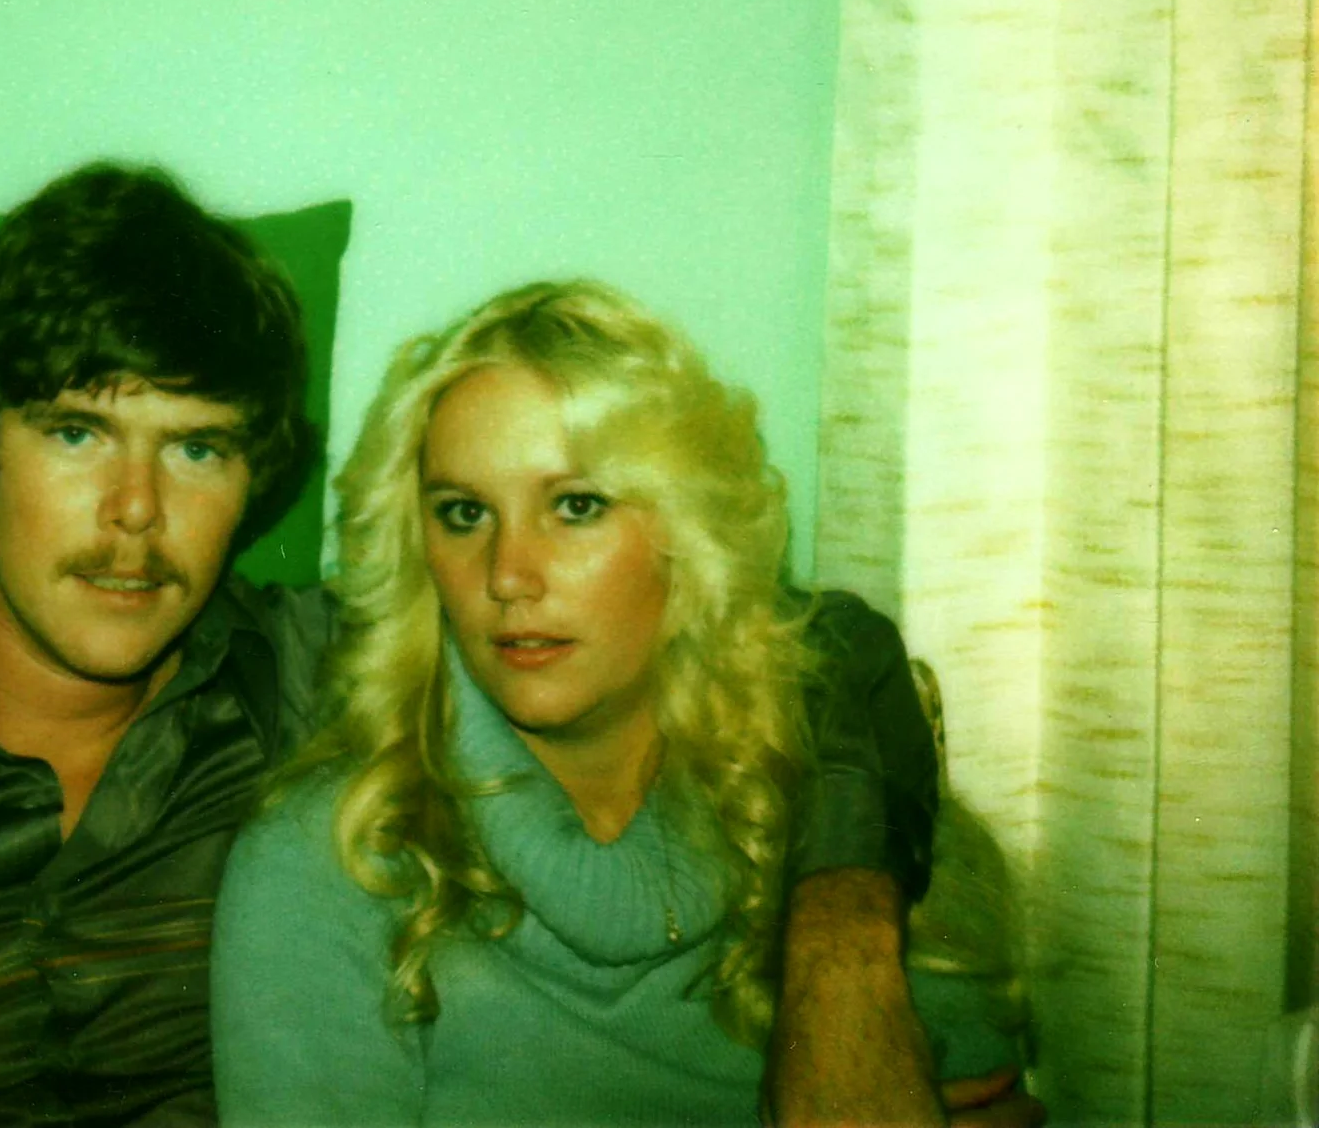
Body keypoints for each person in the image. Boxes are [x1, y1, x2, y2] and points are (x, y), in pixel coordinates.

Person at [0, 168, 956, 1126]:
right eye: (77, 431)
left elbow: (817, 642)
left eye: (197, 447)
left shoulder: (319, 673)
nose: (137, 511)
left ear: (254, 483)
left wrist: (843, 932)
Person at [211, 280, 1033, 1127]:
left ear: (690, 533)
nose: (508, 575)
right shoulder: (333, 858)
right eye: (463, 513)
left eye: (578, 506)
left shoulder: (836, 806)